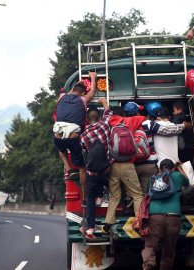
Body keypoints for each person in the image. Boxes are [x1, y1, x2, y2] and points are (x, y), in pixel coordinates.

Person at [127, 102, 190, 196]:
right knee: (173, 191)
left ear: (157, 118)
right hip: (173, 165)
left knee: (155, 190)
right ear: (169, 117)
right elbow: (179, 143)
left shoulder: (146, 125)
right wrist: (183, 126)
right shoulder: (173, 126)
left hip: (157, 166)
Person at [53, 72, 97, 201]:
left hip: (58, 137)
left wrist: (78, 81)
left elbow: (73, 90)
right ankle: (85, 197)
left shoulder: (61, 97)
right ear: (83, 93)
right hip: (74, 138)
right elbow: (93, 90)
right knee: (82, 168)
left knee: (61, 150)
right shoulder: (83, 99)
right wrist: (93, 78)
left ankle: (69, 169)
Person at [102, 105, 146, 234]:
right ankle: (138, 223)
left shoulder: (107, 124)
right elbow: (142, 118)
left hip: (113, 165)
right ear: (123, 114)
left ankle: (108, 224)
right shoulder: (128, 121)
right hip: (128, 165)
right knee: (137, 194)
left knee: (115, 196)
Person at [141, 159, 189, 270]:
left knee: (150, 245)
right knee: (169, 249)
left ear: (159, 169)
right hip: (173, 216)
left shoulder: (152, 178)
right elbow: (187, 181)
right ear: (173, 168)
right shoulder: (178, 176)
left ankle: (149, 262)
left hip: (154, 216)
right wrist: (179, 168)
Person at [79, 98, 112, 236]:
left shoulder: (83, 137)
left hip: (92, 173)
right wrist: (104, 101)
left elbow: (87, 155)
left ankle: (90, 227)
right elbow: (109, 113)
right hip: (107, 170)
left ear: (86, 120)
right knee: (111, 187)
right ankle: (102, 197)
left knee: (90, 199)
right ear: (99, 118)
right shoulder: (104, 126)